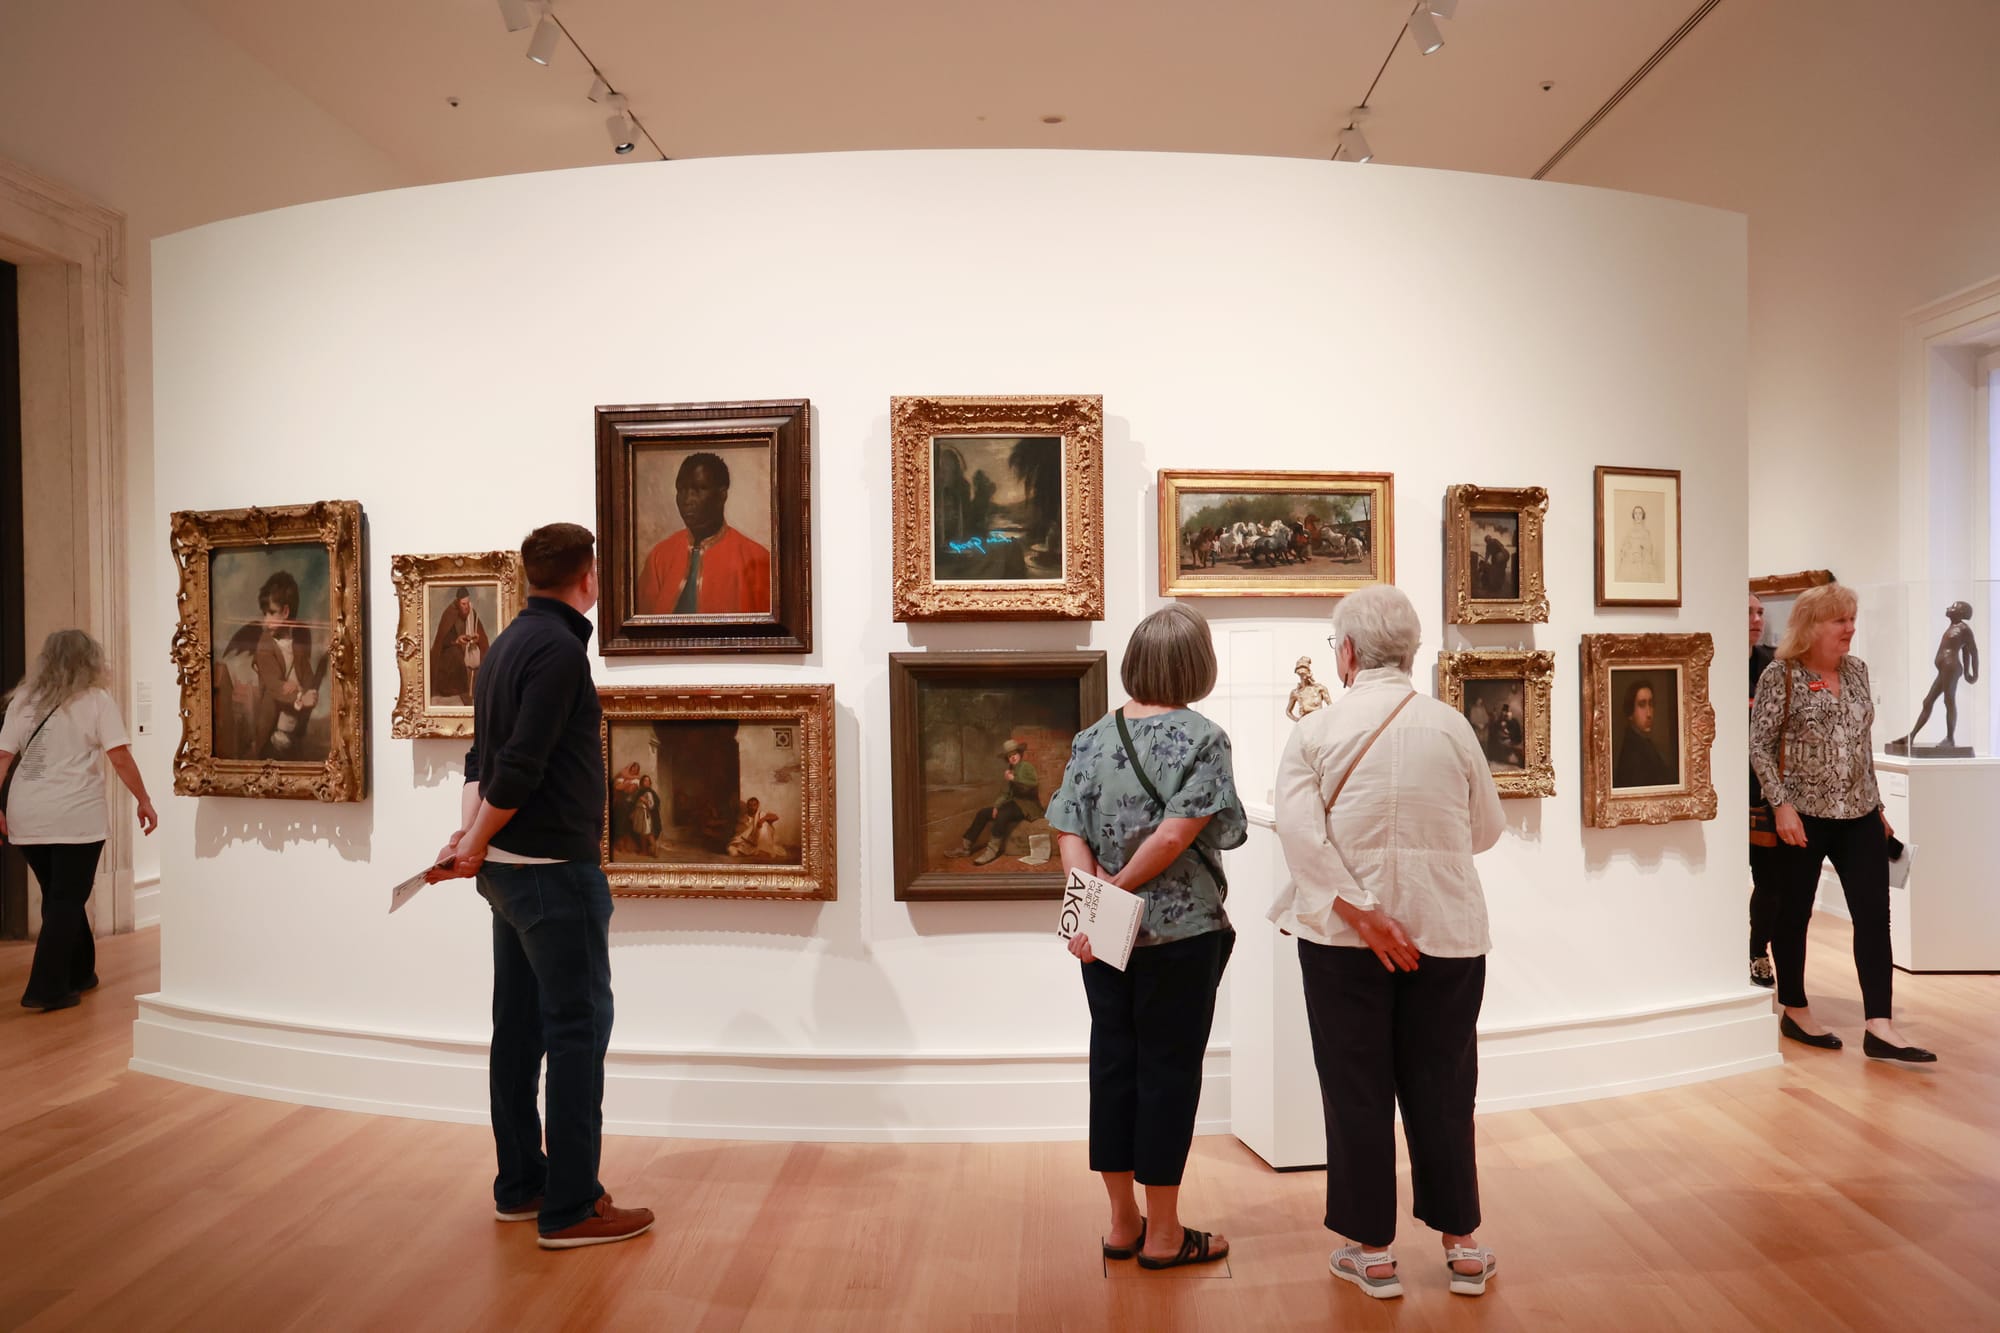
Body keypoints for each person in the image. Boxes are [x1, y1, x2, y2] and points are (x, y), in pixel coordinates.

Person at [426, 522, 656, 1249]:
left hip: (508, 873)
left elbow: (480, 759)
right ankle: (571, 1206)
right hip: (553, 874)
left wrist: (471, 836)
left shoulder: (505, 645)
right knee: (577, 1030)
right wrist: (474, 841)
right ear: (589, 577)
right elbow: (519, 766)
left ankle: (523, 1185)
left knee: (519, 1030)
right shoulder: (558, 650)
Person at [1271, 585, 1503, 1301]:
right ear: (1411, 650)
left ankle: (1372, 1253)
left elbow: (1299, 837)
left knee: (1356, 1090)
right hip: (1447, 934)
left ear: (1345, 652)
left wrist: (1365, 913)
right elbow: (1486, 829)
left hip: (1342, 941)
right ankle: (1463, 1247)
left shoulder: (1315, 731)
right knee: (1445, 1088)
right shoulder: (1452, 727)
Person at [1047, 603, 1246, 1271]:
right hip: (1181, 933)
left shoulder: (1092, 738)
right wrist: (1123, 887)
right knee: (1167, 1071)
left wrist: (1093, 902)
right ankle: (1163, 1233)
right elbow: (1173, 837)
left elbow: (1067, 830)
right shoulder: (1204, 738)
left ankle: (1121, 1222)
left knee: (1113, 1063)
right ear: (1198, 665)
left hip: (1101, 930)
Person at [1751, 583, 1936, 1063]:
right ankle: (1795, 1009)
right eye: (1839, 620)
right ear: (1811, 626)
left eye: (1852, 618)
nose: (1850, 628)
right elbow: (1760, 747)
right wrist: (1781, 805)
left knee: (1874, 916)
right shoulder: (1781, 675)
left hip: (1859, 814)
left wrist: (1878, 807)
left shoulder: (1857, 671)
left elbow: (1859, 745)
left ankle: (1880, 1026)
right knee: (1795, 914)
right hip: (1803, 817)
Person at [0, 630, 158, 1011]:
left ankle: (81, 972)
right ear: (90, 661)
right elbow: (120, 757)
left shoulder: (23, 700)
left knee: (60, 895)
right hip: (75, 814)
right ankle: (46, 988)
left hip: (27, 814)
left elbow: (3, 758)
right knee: (67, 898)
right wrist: (144, 799)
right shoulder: (96, 701)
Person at [634, 452, 772, 616]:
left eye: (698, 489)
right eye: (681, 490)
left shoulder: (757, 560)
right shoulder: (659, 557)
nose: (687, 500)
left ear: (722, 495)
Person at [251, 571, 321, 759]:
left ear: (286, 612)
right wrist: (299, 697)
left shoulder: (300, 635)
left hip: (295, 727)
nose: (266, 620)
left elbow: (305, 669)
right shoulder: (265, 643)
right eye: (264, 614)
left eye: (271, 613)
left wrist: (309, 691)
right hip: (272, 729)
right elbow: (274, 685)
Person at [945, 739, 1042, 866]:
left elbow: (1031, 786)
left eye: (1014, 754)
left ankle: (991, 851)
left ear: (1020, 754)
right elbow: (1005, 793)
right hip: (1013, 804)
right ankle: (965, 847)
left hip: (1027, 805)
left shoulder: (1026, 767)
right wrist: (996, 806)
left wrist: (1014, 779)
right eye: (1009, 756)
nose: (1012, 757)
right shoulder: (1010, 770)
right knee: (983, 813)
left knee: (1003, 814)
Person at [1747, 592, 1778, 987]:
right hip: (1724, 790)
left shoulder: (1773, 666)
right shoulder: (1716, 663)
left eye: (1760, 612)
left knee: (1769, 882)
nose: (1757, 620)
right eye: (1749, 613)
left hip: (1765, 793)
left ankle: (1758, 951)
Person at [431, 586, 490, 706]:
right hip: (452, 649)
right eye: (463, 604)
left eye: (468, 603)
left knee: (484, 655)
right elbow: (443, 640)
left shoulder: (472, 613)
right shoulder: (449, 613)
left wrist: (477, 639)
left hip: (470, 649)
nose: (466, 607)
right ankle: (462, 692)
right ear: (458, 603)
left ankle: (480, 691)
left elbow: (481, 637)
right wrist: (457, 641)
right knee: (455, 654)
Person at [1611, 679, 1675, 788]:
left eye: (1651, 704)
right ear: (1630, 713)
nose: (1649, 714)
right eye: (1642, 705)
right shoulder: (1631, 754)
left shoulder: (1646, 744)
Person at [1616, 504, 1659, 582]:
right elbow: (1624, 547)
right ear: (1633, 516)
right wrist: (1628, 552)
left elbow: (1650, 549)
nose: (1638, 516)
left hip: (1643, 562)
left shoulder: (1646, 532)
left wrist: (1642, 550)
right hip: (1630, 561)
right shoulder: (1629, 532)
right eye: (1636, 513)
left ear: (1643, 516)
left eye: (1640, 513)